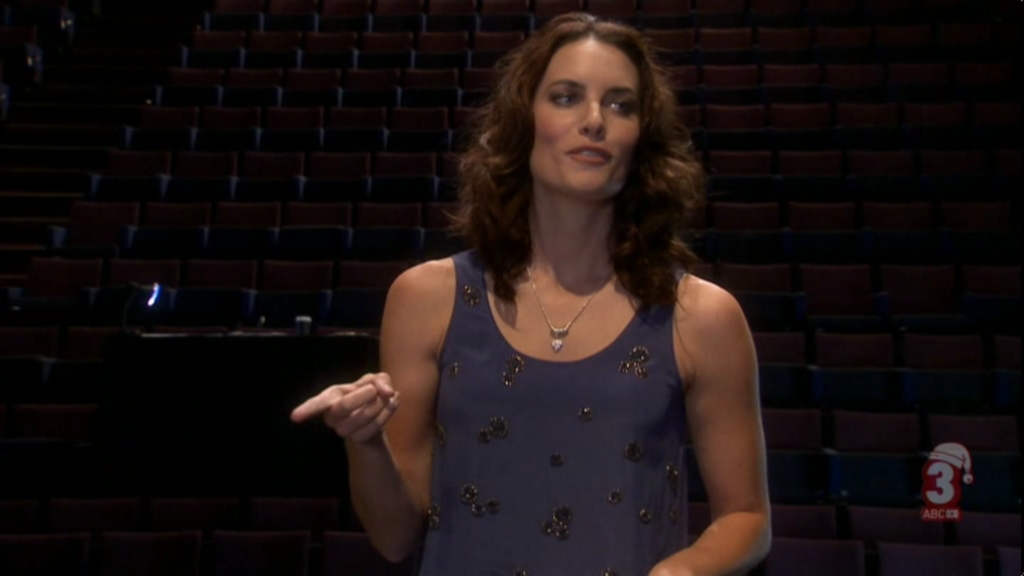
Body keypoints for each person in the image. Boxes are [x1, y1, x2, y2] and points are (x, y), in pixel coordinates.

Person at [292, 12, 770, 576]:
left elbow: (746, 518)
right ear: (525, 121)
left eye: (620, 105)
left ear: (643, 138)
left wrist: (681, 571)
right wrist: (366, 443)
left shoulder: (701, 316)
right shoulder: (427, 298)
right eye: (567, 97)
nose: (594, 121)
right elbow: (395, 537)